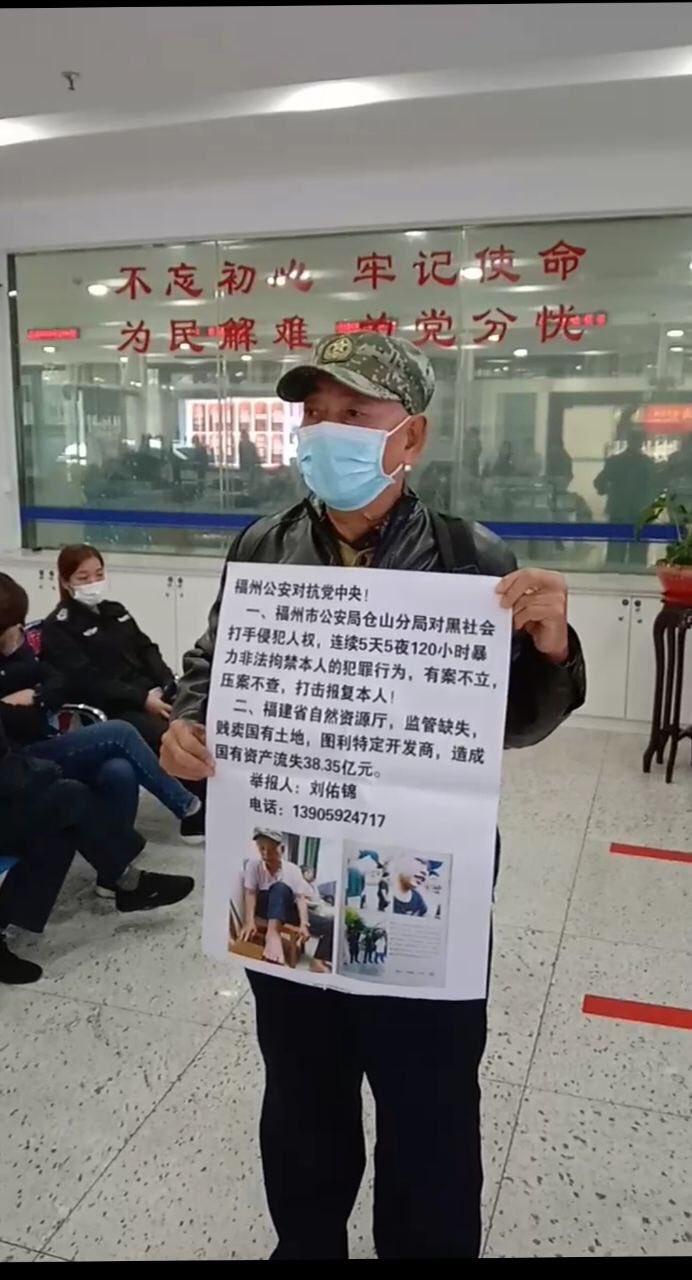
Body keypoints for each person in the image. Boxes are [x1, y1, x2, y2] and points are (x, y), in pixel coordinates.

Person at [160, 332, 585, 1261]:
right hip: (286, 873)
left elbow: (516, 723)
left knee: (430, 1105)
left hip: (418, 876)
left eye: (354, 413)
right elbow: (213, 665)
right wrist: (188, 724)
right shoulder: (262, 544)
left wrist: (551, 646)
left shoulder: (472, 556)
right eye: (314, 413)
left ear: (411, 437)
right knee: (301, 1097)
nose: (327, 432)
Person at [0, 573, 201, 839]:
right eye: (12, 629)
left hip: (42, 743)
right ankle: (187, 806)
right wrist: (23, 705)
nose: (20, 633)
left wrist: (37, 696)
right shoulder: (59, 625)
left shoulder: (112, 611)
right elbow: (25, 719)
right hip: (17, 760)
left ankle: (117, 859)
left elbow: (56, 680)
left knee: (119, 770)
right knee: (120, 732)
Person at [0, 715, 194, 984]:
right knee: (69, 797)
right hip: (14, 771)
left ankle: (122, 880)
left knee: (111, 774)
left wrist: (39, 700)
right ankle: (126, 879)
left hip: (19, 758)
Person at [593, 406, 658, 566]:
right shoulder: (648, 464)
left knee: (615, 553)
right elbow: (656, 488)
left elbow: (599, 483)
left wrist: (609, 489)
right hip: (641, 513)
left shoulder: (615, 461)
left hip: (619, 511)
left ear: (628, 441)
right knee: (638, 556)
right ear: (643, 442)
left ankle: (614, 576)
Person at [239, 829, 310, 965]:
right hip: (265, 908)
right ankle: (273, 936)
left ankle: (272, 934)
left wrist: (304, 924)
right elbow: (250, 893)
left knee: (280, 888)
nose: (265, 853)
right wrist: (249, 921)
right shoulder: (253, 865)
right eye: (262, 848)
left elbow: (301, 899)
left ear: (281, 849)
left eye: (271, 849)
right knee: (275, 889)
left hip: (286, 910)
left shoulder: (294, 870)